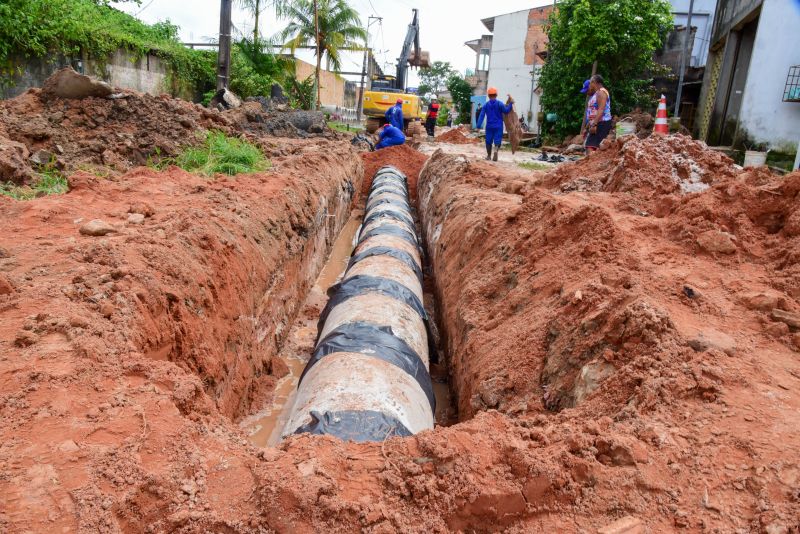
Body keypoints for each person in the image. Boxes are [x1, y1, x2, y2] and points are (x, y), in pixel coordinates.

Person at [476, 87, 514, 161]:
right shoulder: (500, 104)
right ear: (496, 95)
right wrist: (510, 104)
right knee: (497, 140)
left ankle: (489, 156)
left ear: (489, 95)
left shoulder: (486, 105)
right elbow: (506, 111)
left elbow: (481, 115)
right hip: (498, 126)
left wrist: (478, 126)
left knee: (488, 141)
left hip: (489, 126)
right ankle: (496, 149)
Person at [581, 74, 612, 152]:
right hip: (598, 123)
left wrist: (594, 124)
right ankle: (593, 163)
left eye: (591, 82)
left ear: (594, 82)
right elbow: (594, 112)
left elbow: (601, 110)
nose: (590, 85)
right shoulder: (597, 93)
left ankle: (593, 163)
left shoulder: (601, 92)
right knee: (591, 146)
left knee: (590, 147)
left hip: (602, 122)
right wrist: (587, 127)